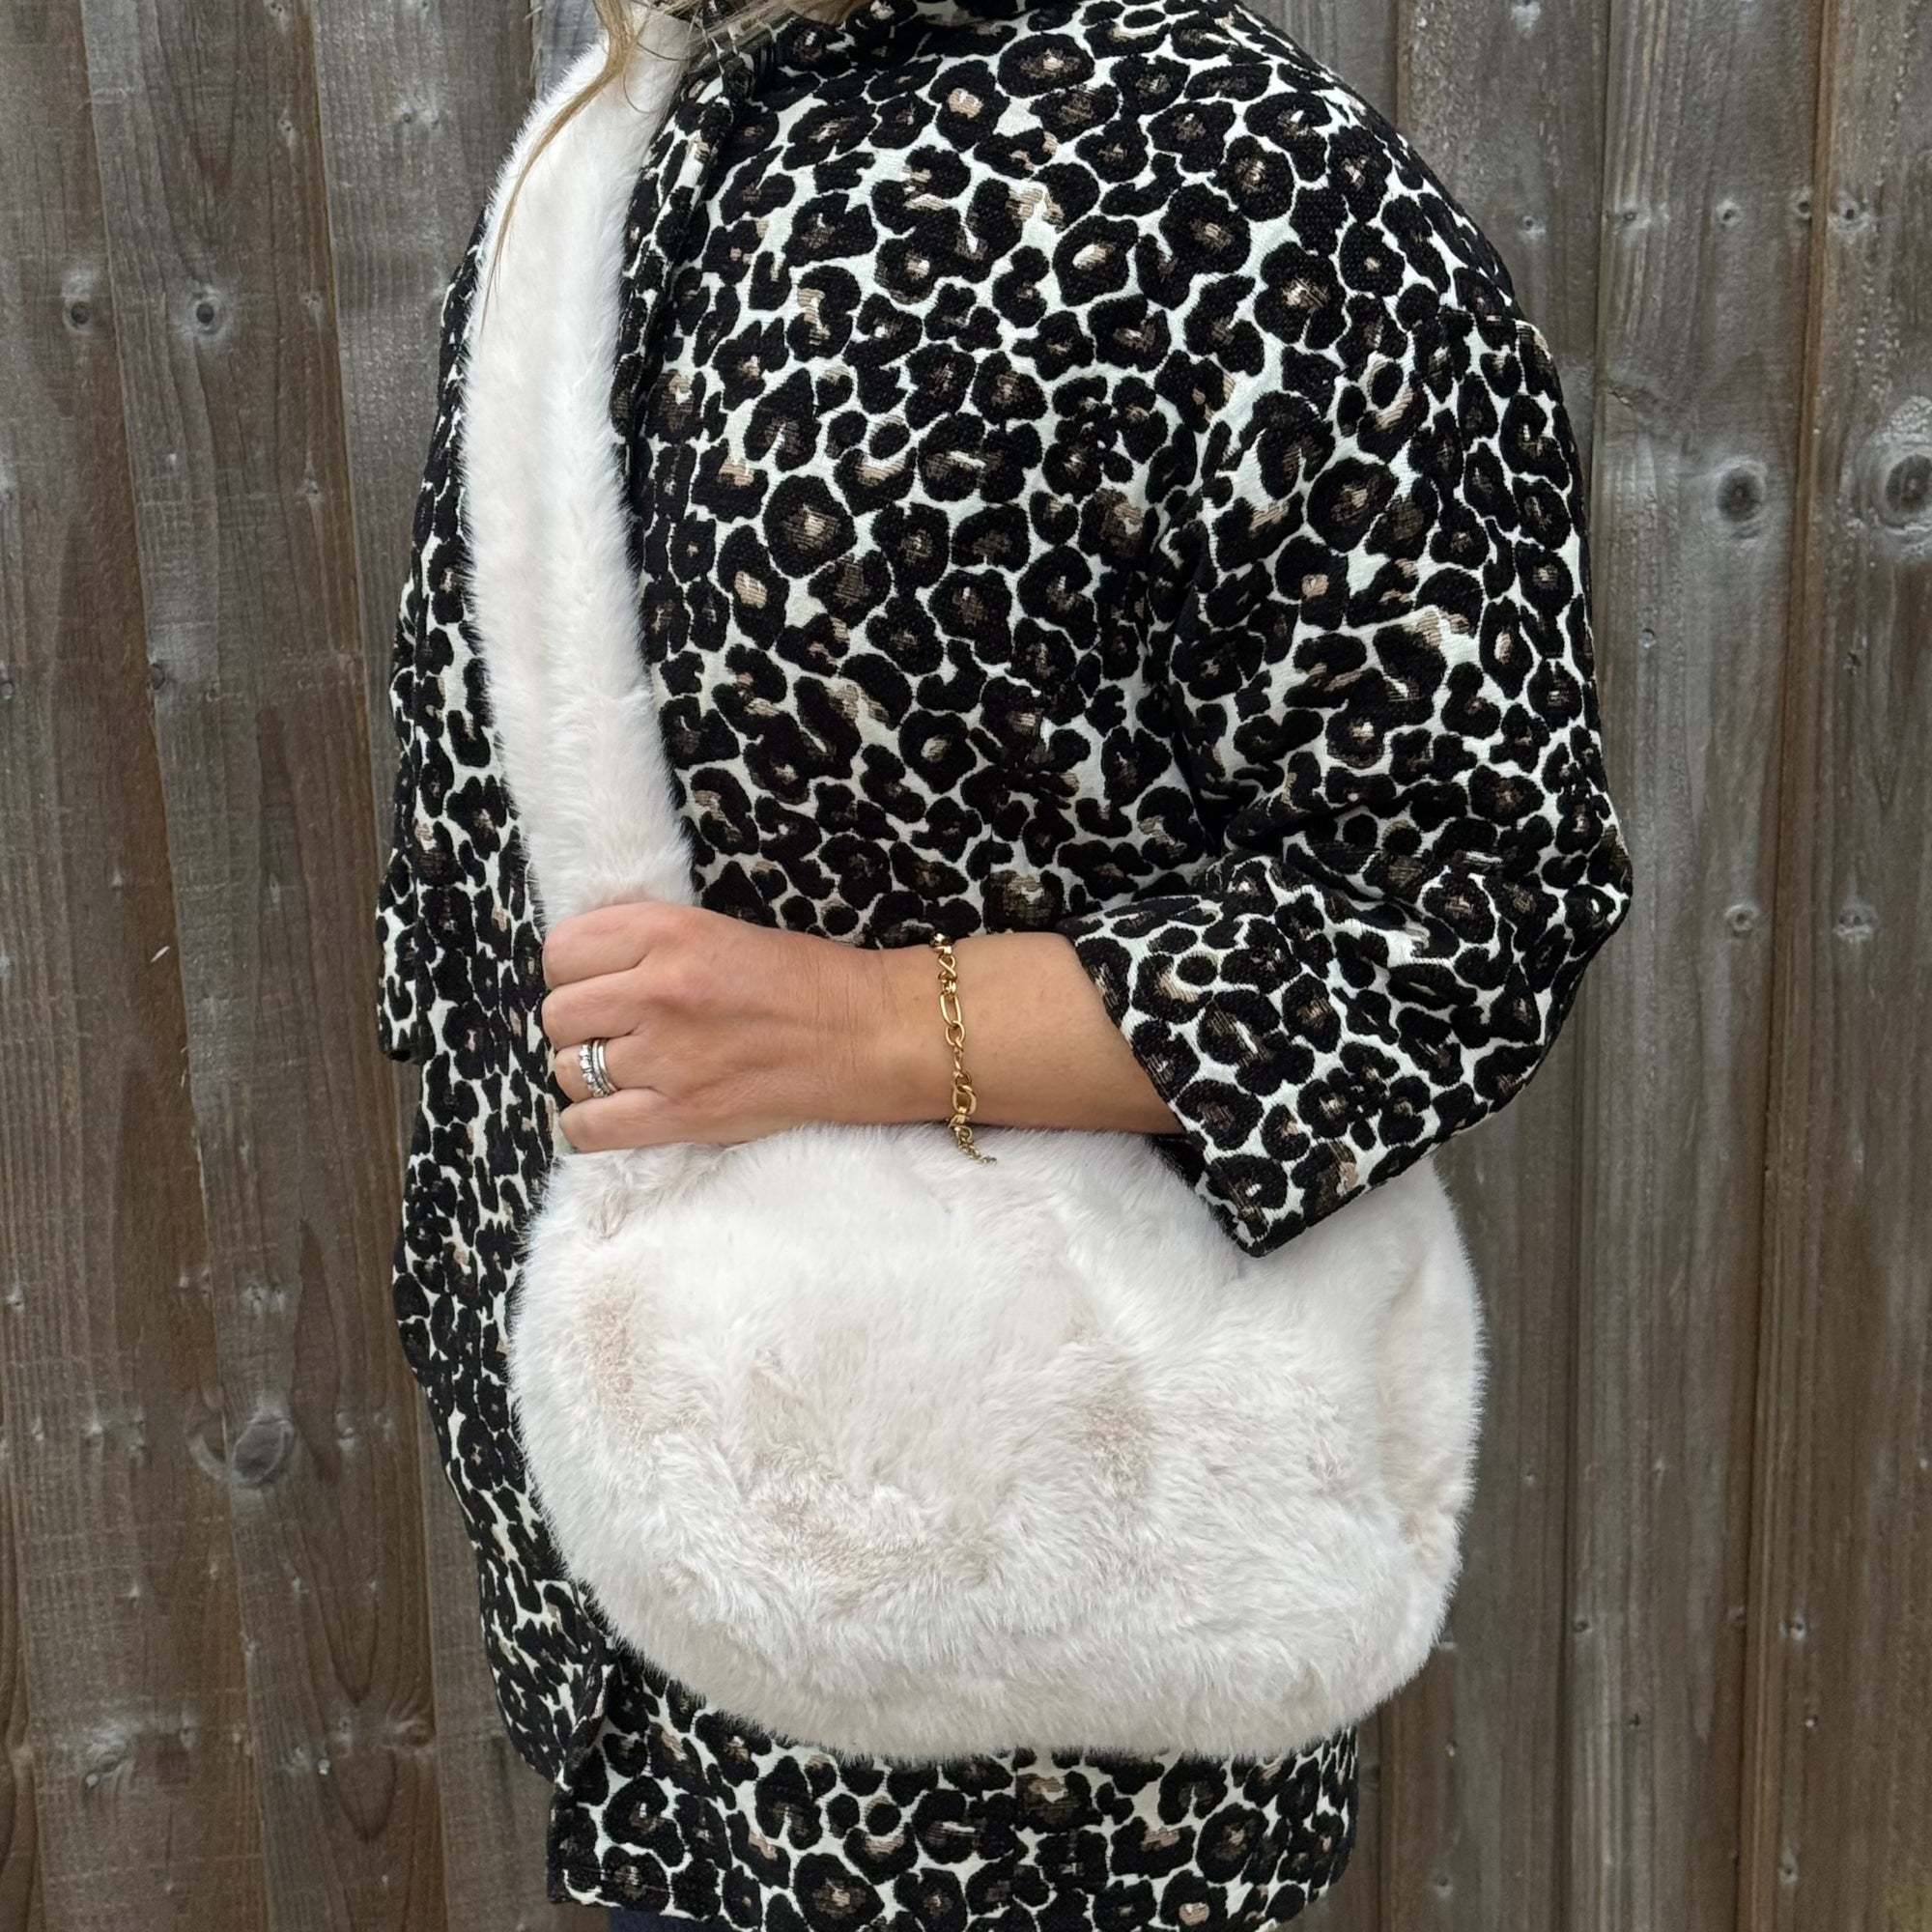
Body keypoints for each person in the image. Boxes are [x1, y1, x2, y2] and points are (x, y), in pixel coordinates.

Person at [374, 0, 1633, 1919]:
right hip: (642, 1596)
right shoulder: (620, 138)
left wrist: (884, 1024)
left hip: (1026, 1697)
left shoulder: (1241, 181)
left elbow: (1476, 892)